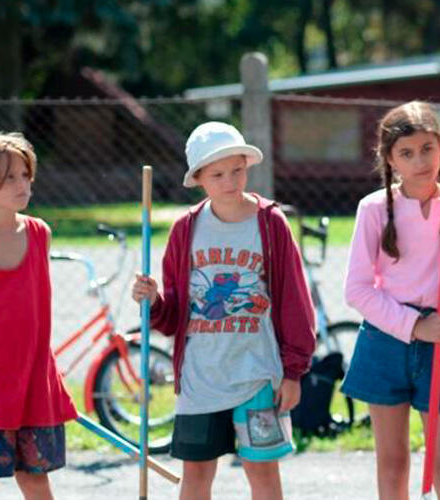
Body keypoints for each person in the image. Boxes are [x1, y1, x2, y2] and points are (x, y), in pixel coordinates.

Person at [131, 121, 316, 499]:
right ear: (198, 178)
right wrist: (151, 301)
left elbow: (295, 300)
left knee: (262, 474)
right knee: (197, 475)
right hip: (202, 379)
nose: (231, 181)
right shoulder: (186, 229)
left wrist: (294, 370)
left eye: (238, 170)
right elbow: (173, 317)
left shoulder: (270, 223)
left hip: (258, 375)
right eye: (217, 174)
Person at [340, 101, 440, 499]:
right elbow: (356, 289)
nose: (420, 161)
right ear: (390, 159)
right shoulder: (372, 209)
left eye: (427, 149)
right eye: (406, 153)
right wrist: (413, 325)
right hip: (386, 337)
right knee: (392, 463)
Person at [0, 130, 76, 500]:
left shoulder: (39, 233)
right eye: (9, 178)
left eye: (26, 175)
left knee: (35, 480)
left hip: (33, 382)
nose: (23, 185)